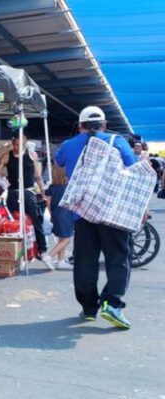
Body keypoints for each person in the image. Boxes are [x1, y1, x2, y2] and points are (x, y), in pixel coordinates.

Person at [55, 106, 139, 329]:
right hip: (112, 210)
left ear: (80, 125)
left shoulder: (69, 145)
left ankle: (89, 307)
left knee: (85, 260)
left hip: (82, 212)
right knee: (119, 257)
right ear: (104, 124)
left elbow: (59, 161)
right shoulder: (117, 141)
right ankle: (112, 303)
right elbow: (134, 170)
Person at [0, 134, 50, 268]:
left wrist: (43, 193)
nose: (18, 147)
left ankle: (42, 249)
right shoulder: (7, 156)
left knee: (36, 219)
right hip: (12, 192)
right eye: (16, 144)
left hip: (28, 191)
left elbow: (38, 176)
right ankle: (9, 249)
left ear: (25, 142)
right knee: (9, 221)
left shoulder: (32, 155)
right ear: (13, 143)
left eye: (21, 144)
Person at [43, 166, 72, 270]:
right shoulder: (67, 187)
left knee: (62, 238)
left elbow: (48, 203)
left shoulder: (51, 187)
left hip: (55, 214)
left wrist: (51, 215)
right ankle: (49, 256)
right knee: (66, 239)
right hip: (65, 214)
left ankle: (61, 261)